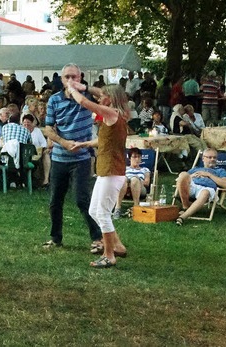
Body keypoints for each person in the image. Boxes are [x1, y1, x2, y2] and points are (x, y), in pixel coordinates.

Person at [66, 81, 128, 268]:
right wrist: (83, 144)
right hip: (107, 170)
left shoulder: (111, 113)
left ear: (111, 98)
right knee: (94, 211)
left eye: (102, 96)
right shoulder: (117, 115)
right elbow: (103, 140)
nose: (99, 98)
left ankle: (109, 255)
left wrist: (72, 89)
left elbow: (85, 103)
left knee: (102, 213)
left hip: (111, 171)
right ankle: (117, 246)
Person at [43, 63, 103, 253]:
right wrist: (63, 142)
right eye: (67, 77)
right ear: (61, 79)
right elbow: (48, 128)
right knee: (55, 201)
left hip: (82, 157)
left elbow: (105, 95)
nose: (70, 80)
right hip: (60, 157)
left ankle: (98, 237)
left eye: (74, 77)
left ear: (80, 77)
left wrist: (83, 88)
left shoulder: (87, 96)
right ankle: (55, 237)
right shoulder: (54, 100)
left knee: (82, 199)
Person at [175, 148, 226, 226]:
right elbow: (180, 179)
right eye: (210, 157)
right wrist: (191, 176)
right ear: (203, 158)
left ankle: (182, 217)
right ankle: (186, 205)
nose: (213, 159)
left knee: (205, 192)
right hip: (192, 186)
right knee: (183, 174)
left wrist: (209, 175)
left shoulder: (220, 171)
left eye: (215, 157)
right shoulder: (196, 169)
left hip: (207, 188)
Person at [114, 148, 151, 219]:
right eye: (134, 157)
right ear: (130, 158)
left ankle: (136, 208)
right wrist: (128, 184)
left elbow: (146, 182)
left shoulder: (145, 170)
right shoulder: (124, 168)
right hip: (124, 188)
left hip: (140, 189)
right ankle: (117, 208)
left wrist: (136, 181)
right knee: (123, 179)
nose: (137, 159)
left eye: (139, 157)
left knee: (134, 179)